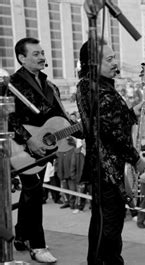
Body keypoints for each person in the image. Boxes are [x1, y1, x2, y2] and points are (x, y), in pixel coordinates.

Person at [75, 39, 145, 264]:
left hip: (102, 169)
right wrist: (138, 160)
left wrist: (129, 114)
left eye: (114, 57)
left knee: (101, 225)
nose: (116, 63)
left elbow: (106, 123)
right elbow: (112, 134)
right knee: (109, 229)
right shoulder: (99, 90)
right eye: (109, 59)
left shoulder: (90, 85)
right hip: (109, 171)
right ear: (93, 63)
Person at [8, 37, 79, 263]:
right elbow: (8, 119)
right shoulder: (11, 84)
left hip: (45, 148)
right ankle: (37, 246)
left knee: (32, 193)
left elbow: (63, 120)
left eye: (42, 53)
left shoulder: (51, 86)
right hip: (19, 147)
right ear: (22, 58)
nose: (42, 57)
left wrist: (80, 130)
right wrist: (28, 139)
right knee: (34, 190)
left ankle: (20, 236)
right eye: (36, 53)